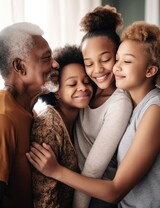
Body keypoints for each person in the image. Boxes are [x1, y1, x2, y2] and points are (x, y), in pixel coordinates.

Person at [26, 21, 160, 208]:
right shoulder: (102, 95)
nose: (116, 67)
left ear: (150, 70)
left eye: (126, 61)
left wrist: (56, 171)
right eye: (118, 59)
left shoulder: (153, 110)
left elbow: (114, 190)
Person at [0, 22, 59, 208]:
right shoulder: (3, 118)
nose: (56, 64)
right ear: (20, 67)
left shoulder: (30, 111)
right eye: (46, 58)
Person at [31, 45, 93, 208]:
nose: (83, 87)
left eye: (86, 81)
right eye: (72, 84)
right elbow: (44, 201)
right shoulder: (48, 127)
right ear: (57, 91)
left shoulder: (80, 117)